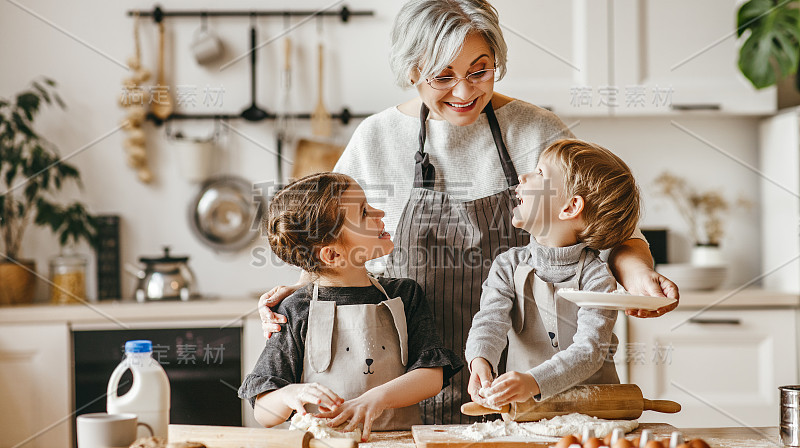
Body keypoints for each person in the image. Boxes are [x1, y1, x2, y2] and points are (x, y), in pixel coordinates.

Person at [258, 0, 679, 424]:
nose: (464, 92)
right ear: (411, 72)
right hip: (406, 383)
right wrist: (297, 295)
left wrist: (639, 274)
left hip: (533, 384)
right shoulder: (377, 139)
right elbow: (329, 239)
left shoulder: (535, 130)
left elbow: (613, 226)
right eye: (443, 76)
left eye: (480, 71)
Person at [238, 173, 462, 441]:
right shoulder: (295, 311)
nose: (379, 212)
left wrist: (375, 399)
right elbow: (263, 411)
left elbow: (431, 376)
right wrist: (289, 394)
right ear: (332, 254)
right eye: (365, 212)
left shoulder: (405, 294)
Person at [465, 139, 639, 408]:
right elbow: (490, 321)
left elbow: (590, 351)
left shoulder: (598, 278)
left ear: (569, 207)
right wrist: (481, 360)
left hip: (594, 415)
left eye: (540, 173)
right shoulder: (507, 266)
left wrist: (532, 382)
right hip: (525, 412)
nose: (523, 176)